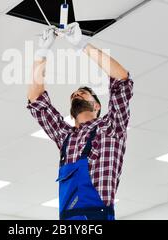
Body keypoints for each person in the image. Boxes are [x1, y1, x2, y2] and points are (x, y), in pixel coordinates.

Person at [27, 22, 134, 220]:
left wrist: (82, 44)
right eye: (75, 94)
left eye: (84, 93)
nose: (77, 94)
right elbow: (36, 100)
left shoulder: (111, 128)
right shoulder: (65, 137)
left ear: (97, 106)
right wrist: (41, 54)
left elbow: (122, 80)